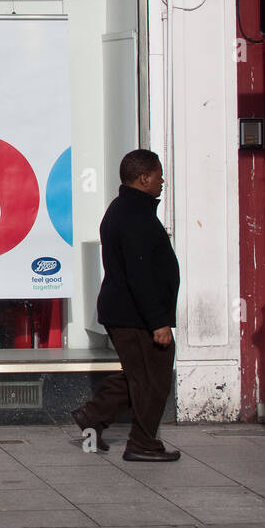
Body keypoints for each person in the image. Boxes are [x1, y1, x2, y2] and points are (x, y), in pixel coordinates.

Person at [71, 149, 181, 462]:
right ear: (144, 177)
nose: (162, 181)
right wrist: (158, 322)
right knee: (151, 377)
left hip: (128, 312)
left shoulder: (130, 209)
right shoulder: (133, 215)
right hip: (133, 315)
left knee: (140, 374)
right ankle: (143, 444)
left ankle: (93, 416)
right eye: (159, 175)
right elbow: (140, 275)